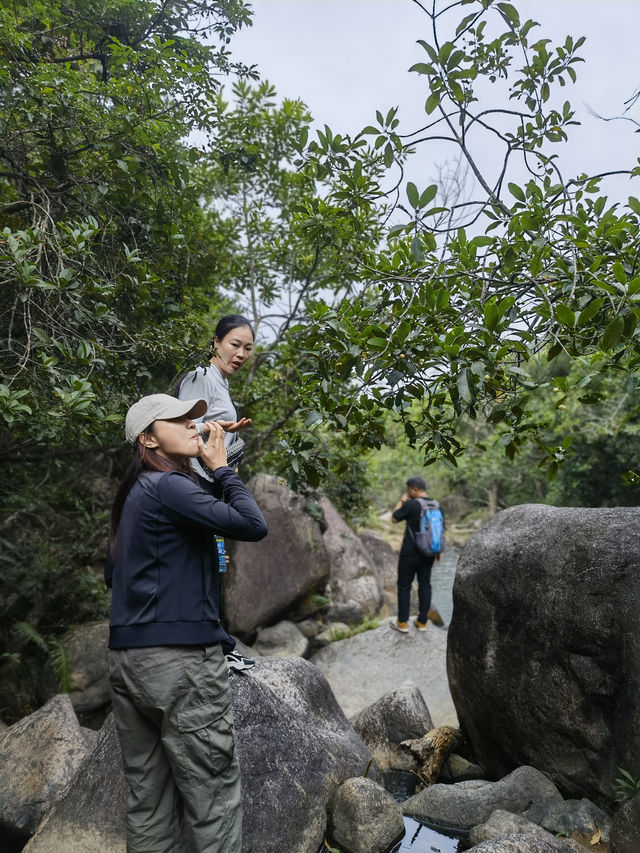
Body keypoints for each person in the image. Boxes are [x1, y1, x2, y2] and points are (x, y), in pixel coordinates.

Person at [105, 393, 268, 853]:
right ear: (148, 438)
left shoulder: (136, 494)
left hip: (128, 662)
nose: (193, 425)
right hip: (180, 664)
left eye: (194, 418)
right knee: (212, 798)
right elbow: (252, 524)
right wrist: (223, 470)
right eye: (178, 420)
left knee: (148, 799)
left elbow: (113, 574)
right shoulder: (169, 487)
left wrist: (213, 460)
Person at [176, 315, 255, 674]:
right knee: (205, 561)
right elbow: (183, 426)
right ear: (216, 342)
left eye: (248, 348)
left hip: (214, 482)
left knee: (215, 561)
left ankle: (218, 644)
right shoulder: (200, 375)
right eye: (234, 344)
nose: (241, 353)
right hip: (197, 482)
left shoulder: (220, 381)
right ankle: (214, 646)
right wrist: (216, 430)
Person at [389, 475, 444, 633]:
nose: (408, 493)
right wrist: (438, 550)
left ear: (414, 489)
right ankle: (422, 623)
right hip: (429, 553)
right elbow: (441, 529)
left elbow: (394, 518)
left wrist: (401, 501)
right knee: (425, 585)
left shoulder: (412, 504)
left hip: (410, 553)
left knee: (404, 586)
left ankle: (403, 623)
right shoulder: (437, 505)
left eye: (408, 490)